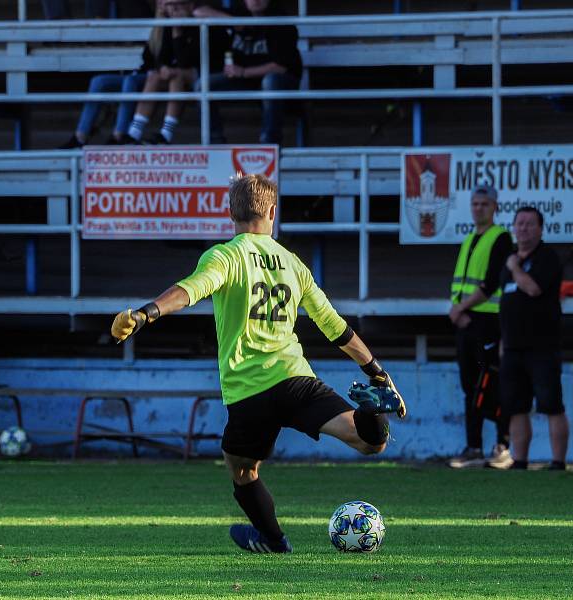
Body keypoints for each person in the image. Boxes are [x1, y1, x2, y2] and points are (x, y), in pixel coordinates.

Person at [110, 174, 406, 553]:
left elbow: (191, 289)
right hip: (295, 378)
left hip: (249, 391)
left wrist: (146, 313)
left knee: (241, 468)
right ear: (271, 210)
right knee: (368, 443)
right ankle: (369, 413)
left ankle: (273, 539)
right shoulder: (293, 263)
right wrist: (376, 371)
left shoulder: (225, 255)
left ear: (230, 211)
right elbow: (334, 324)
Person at [497, 206, 569, 471]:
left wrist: (515, 267)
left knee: (551, 404)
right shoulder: (510, 260)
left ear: (540, 228)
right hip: (513, 347)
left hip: (542, 346)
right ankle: (520, 460)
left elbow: (533, 288)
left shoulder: (547, 258)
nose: (523, 228)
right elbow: (506, 303)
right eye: (519, 223)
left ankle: (558, 461)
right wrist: (503, 344)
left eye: (529, 224)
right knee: (515, 406)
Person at [447, 184, 513, 469]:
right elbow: (461, 284)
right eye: (475, 204)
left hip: (488, 321)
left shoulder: (501, 238)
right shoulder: (469, 238)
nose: (479, 209)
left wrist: (461, 308)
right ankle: (473, 446)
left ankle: (502, 445)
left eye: (485, 204)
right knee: (469, 386)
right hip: (466, 322)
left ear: (495, 207)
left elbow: (490, 283)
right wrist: (458, 310)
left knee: (493, 384)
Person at [193, 0, 302, 144]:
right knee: (203, 84)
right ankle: (215, 141)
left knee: (270, 81)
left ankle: (269, 141)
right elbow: (198, 11)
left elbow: (280, 67)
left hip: (281, 82)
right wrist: (236, 22)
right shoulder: (238, 14)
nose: (255, 0)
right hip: (244, 80)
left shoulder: (281, 22)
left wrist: (244, 71)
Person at [59, 0, 162, 148]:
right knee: (99, 81)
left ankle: (119, 135)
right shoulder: (157, 27)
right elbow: (148, 58)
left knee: (130, 81)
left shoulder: (177, 27)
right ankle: (80, 137)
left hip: (159, 76)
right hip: (143, 72)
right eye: (165, 4)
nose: (168, 7)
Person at [125, 0, 201, 145]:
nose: (175, 9)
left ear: (190, 6)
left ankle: (166, 134)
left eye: (179, 4)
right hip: (176, 73)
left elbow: (186, 61)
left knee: (176, 76)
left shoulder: (199, 24)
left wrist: (177, 33)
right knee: (154, 76)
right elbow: (161, 57)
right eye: (171, 5)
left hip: (199, 73)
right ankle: (134, 133)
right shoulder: (167, 25)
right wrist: (163, 68)